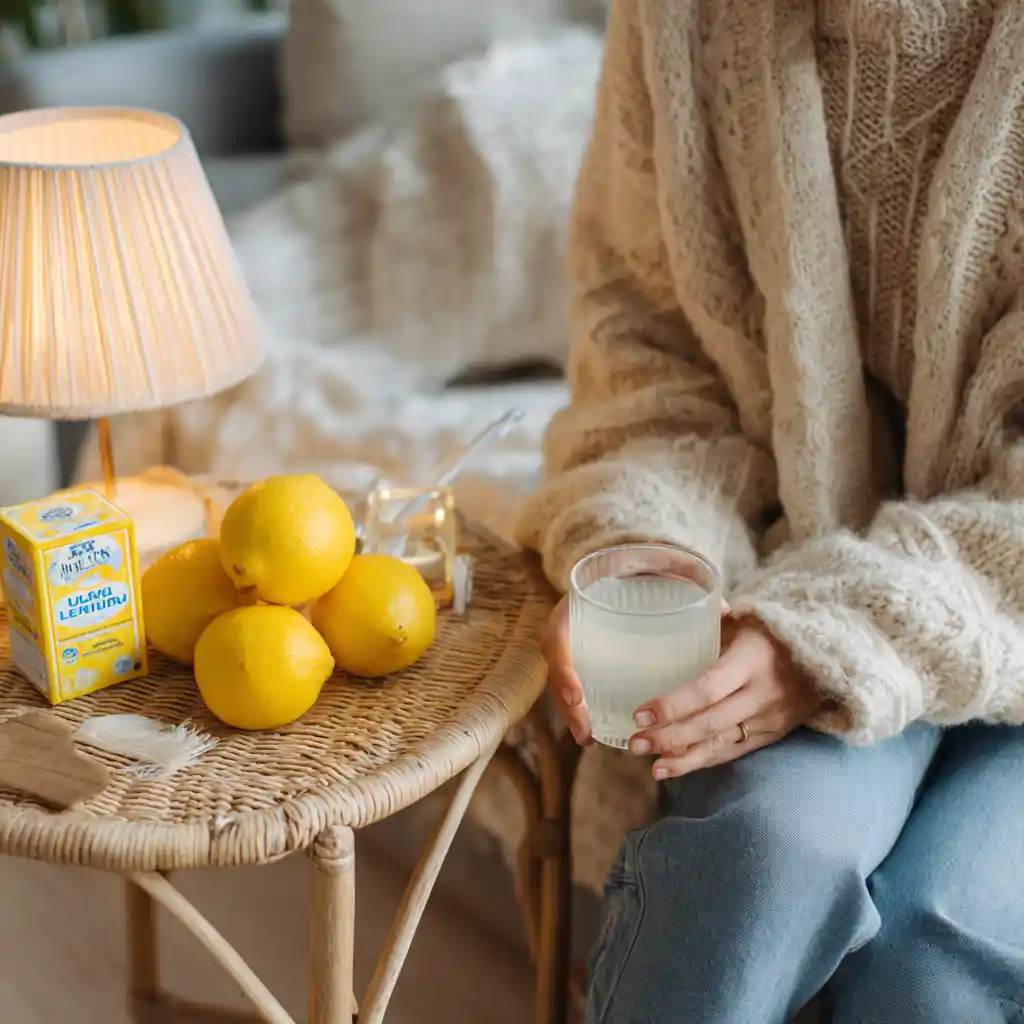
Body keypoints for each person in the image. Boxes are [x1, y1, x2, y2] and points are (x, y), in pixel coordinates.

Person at [515, 1, 1024, 1021]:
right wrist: (649, 545)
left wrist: (833, 636)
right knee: (760, 853)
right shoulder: (676, 20)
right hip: (790, 575)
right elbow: (645, 348)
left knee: (941, 937)